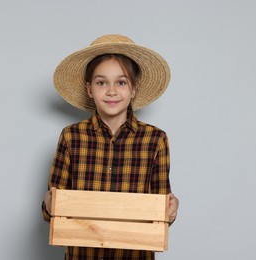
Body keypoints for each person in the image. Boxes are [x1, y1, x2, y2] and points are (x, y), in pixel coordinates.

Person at [42, 34, 179, 260]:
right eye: (101, 82)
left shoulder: (155, 139)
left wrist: (170, 211)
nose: (112, 91)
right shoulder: (71, 136)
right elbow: (54, 211)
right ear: (89, 89)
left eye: (121, 82)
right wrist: (49, 203)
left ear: (133, 89)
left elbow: (158, 213)